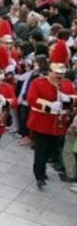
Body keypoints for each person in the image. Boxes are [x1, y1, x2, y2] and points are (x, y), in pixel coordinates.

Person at [26, 40, 76, 189]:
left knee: (52, 151)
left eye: (62, 73)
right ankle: (39, 176)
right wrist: (48, 105)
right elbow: (31, 99)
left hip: (58, 125)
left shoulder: (67, 85)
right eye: (57, 73)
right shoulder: (39, 83)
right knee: (40, 151)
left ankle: (46, 169)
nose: (59, 76)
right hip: (42, 123)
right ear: (50, 72)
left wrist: (69, 100)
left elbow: (74, 99)